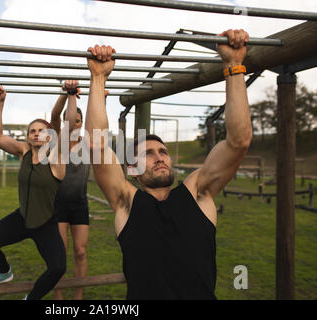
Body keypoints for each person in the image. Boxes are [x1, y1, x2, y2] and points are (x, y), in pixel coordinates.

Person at [85, 29, 252, 299]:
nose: (159, 156)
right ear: (132, 170)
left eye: (163, 151)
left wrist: (234, 66)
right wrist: (98, 78)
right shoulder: (126, 202)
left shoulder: (199, 192)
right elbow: (96, 145)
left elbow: (239, 141)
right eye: (148, 153)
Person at [0, 82, 78, 300]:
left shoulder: (56, 156)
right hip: (21, 217)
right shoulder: (23, 151)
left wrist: (71, 95)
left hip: (46, 223)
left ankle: (30, 299)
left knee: (58, 268)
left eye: (41, 131)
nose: (36, 134)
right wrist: (0, 104)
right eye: (32, 131)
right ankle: (4, 272)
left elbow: (68, 125)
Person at [50, 81, 91, 300]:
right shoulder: (58, 141)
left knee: (80, 252)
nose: (75, 124)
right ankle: (58, 297)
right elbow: (55, 116)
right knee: (60, 255)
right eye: (72, 121)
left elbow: (97, 120)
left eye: (79, 121)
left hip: (80, 204)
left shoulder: (90, 142)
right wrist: (68, 94)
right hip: (58, 205)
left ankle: (78, 296)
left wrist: (98, 99)